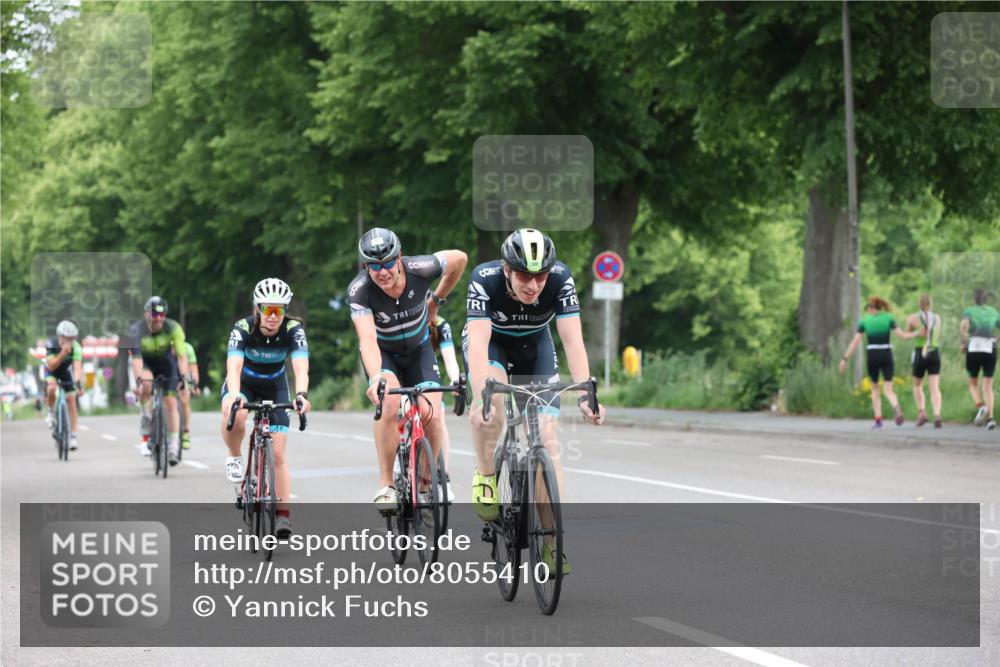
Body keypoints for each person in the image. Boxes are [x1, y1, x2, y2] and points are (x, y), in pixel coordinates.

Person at [464, 228, 606, 575]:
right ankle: (485, 475)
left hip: (535, 348)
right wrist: (481, 395)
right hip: (493, 346)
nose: (534, 285)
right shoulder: (484, 278)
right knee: (493, 404)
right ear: (507, 270)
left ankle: (551, 542)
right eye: (525, 276)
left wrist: (587, 393)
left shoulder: (561, 279)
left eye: (540, 276)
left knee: (547, 437)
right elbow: (480, 346)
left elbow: (572, 342)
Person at [347, 228, 468, 513]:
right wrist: (376, 378)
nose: (382, 271)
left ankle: (426, 481)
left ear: (400, 257)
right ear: (365, 266)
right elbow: (367, 341)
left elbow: (460, 259)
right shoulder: (359, 290)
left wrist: (436, 299)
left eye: (388, 262)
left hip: (419, 351)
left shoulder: (420, 268)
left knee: (433, 415)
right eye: (373, 266)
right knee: (388, 405)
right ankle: (387, 484)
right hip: (385, 355)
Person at [221, 278, 311, 538]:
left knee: (279, 453)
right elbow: (234, 366)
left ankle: (283, 516)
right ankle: (235, 455)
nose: (273, 316)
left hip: (275, 385)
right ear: (257, 308)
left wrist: (302, 395)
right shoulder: (243, 328)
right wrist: (234, 394)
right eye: (268, 309)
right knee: (236, 414)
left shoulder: (294, 329)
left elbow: (301, 367)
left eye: (279, 310)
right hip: (244, 383)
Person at [126, 297, 189, 464]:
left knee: (171, 403)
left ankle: (174, 445)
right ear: (147, 314)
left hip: (166, 363)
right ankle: (146, 420)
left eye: (162, 314)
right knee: (146, 383)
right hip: (146, 363)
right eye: (155, 314)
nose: (159, 318)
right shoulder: (136, 330)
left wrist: (183, 376)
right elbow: (137, 360)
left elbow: (182, 356)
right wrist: (139, 379)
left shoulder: (173, 327)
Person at [839, 296, 917, 428]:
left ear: (871, 308)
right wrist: (917, 333)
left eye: (868, 308)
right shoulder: (889, 318)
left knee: (874, 387)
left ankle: (878, 420)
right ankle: (896, 406)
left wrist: (845, 358)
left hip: (872, 354)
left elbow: (855, 342)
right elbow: (902, 336)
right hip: (886, 353)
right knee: (888, 388)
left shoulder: (864, 321)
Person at [429, 314, 462, 502]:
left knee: (439, 414)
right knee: (398, 409)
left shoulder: (441, 324)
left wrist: (455, 380)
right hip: (398, 367)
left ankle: (443, 478)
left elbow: (450, 361)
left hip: (424, 368)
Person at [960, 288, 999, 430]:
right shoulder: (994, 312)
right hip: (991, 347)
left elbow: (964, 327)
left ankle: (981, 406)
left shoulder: (969, 311)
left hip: (974, 346)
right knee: (988, 386)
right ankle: (990, 419)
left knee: (973, 383)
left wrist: (964, 342)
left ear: (973, 299)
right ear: (986, 299)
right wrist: (996, 340)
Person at [44, 320, 84, 450]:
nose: (69, 342)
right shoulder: (51, 343)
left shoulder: (76, 347)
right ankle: (50, 412)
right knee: (51, 388)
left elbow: (77, 368)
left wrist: (78, 383)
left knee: (71, 399)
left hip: (66, 372)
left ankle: (73, 436)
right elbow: (52, 365)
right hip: (52, 370)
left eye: (72, 339)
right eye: (67, 338)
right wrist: (63, 353)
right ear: (60, 336)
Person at [904, 295, 943, 428]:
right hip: (934, 352)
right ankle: (937, 414)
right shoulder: (937, 318)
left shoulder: (912, 319)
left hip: (920, 352)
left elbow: (906, 336)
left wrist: (916, 334)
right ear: (930, 304)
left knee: (917, 385)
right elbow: (938, 335)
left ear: (918, 304)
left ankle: (922, 412)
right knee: (934, 387)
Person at [178, 341, 201, 450]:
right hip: (168, 374)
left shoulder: (187, 347)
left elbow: (193, 369)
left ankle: (185, 431)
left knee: (184, 400)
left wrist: (195, 385)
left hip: (183, 377)